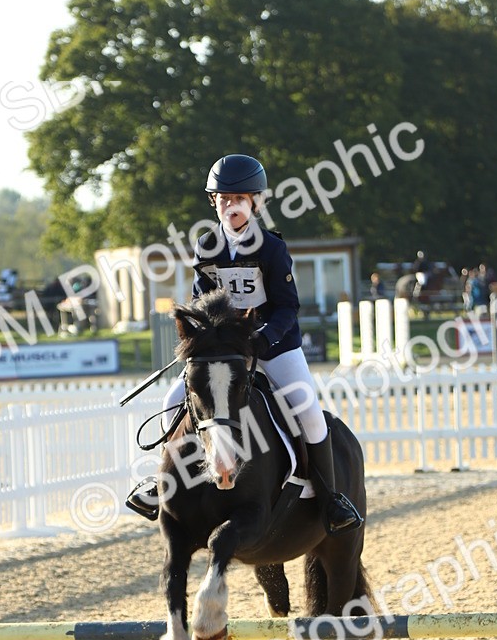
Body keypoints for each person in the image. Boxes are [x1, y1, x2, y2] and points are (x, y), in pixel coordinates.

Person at [125, 153, 364, 535]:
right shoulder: (207, 247)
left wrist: (264, 338)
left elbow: (288, 307)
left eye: (238, 199)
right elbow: (202, 301)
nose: (230, 205)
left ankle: (331, 499)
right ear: (214, 202)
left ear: (254, 202)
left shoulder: (271, 249)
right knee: (173, 399)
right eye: (222, 199)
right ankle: (160, 485)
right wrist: (201, 340)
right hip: (225, 352)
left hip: (274, 347)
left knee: (308, 410)